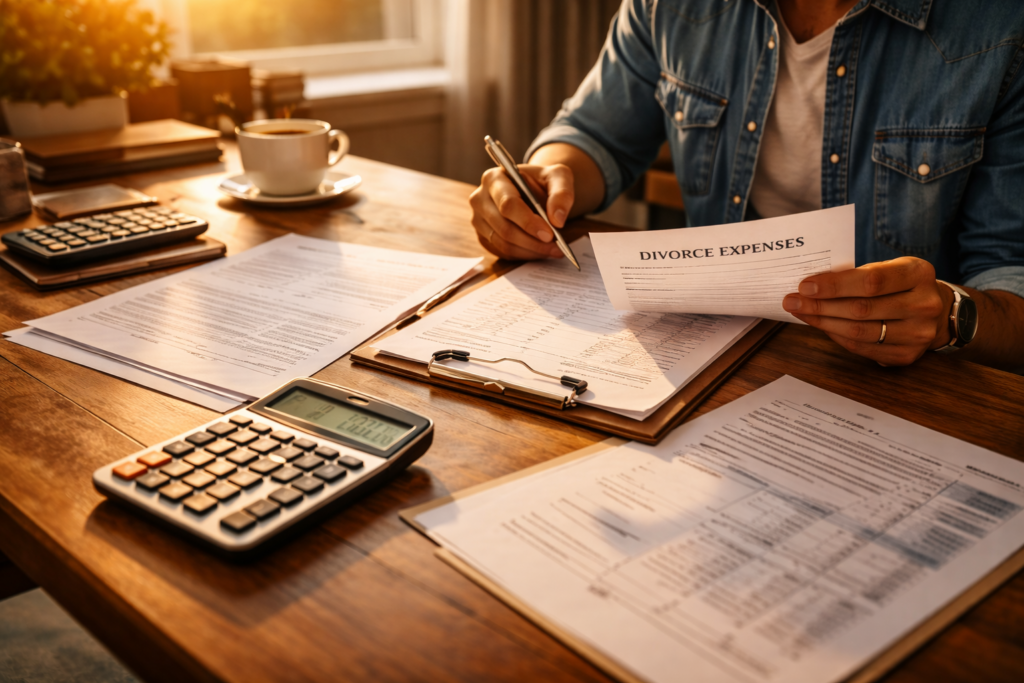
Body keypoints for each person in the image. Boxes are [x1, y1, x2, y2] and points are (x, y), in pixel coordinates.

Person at [469, 0, 1024, 370]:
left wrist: (953, 315)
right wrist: (543, 182)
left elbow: (1010, 279)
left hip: (909, 382)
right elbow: (593, 134)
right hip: (711, 356)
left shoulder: (1000, 28)